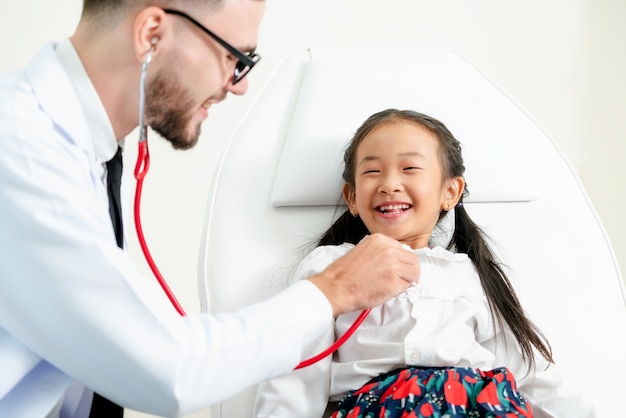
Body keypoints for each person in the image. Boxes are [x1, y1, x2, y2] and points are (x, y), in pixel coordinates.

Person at [0, 2, 419, 417]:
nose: (239, 86)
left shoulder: (82, 151)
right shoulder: (21, 151)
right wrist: (334, 289)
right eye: (234, 57)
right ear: (151, 34)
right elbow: (168, 369)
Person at [254, 109, 595, 417]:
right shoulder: (332, 265)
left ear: (450, 192)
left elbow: (529, 374)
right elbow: (296, 371)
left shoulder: (471, 275)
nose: (389, 184)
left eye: (410, 168)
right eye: (372, 171)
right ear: (353, 197)